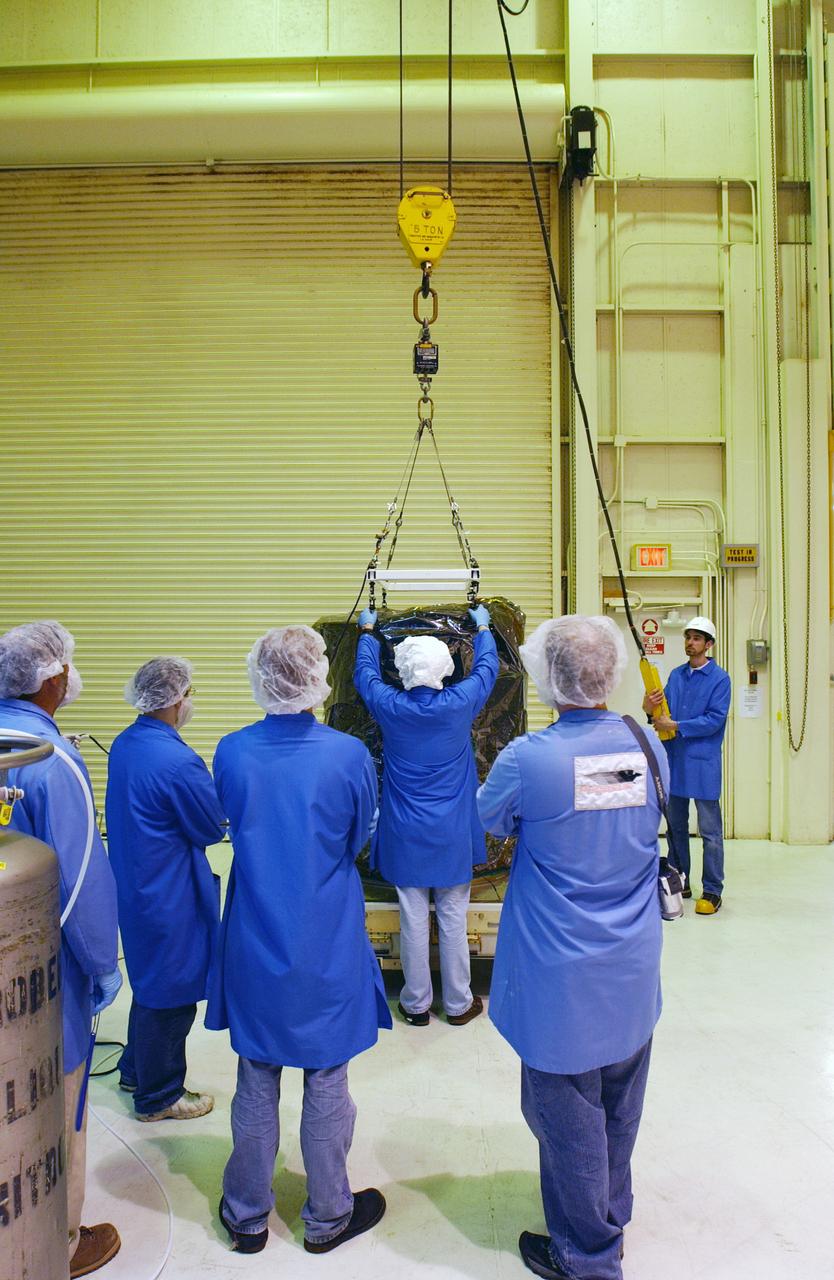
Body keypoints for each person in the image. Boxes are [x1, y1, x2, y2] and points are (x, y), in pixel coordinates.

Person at [477, 615, 666, 1280]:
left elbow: (489, 820)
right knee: (619, 1101)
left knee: (565, 1116)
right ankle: (608, 1211)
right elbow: (608, 800)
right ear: (607, 673)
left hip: (560, 978)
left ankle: (587, 1255)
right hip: (631, 969)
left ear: (547, 677)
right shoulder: (645, 748)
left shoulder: (530, 760)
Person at [207, 625, 391, 1255]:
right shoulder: (347, 756)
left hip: (255, 940)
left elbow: (228, 820)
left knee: (256, 1074)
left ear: (260, 676)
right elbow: (359, 837)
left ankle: (246, 1214)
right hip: (326, 940)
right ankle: (328, 1214)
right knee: (326, 1077)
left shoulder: (230, 752)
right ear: (318, 678)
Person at [0, 621, 122, 1278]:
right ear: (50, 677)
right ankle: (63, 1243)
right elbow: (78, 883)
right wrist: (102, 964)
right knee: (50, 1105)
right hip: (37, 975)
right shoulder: (48, 760)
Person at [353, 604, 498, 1027]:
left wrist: (367, 631)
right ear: (443, 668)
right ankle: (458, 1004)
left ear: (403, 669)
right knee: (453, 915)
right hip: (451, 832)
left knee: (412, 917)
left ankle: (415, 1006)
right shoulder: (460, 703)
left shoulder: (389, 706)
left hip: (404, 832)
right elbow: (487, 668)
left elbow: (365, 676)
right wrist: (484, 627)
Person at [105, 656, 225, 1122]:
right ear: (175, 698)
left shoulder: (128, 741)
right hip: (168, 892)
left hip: (138, 885)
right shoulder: (177, 760)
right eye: (188, 693)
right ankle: (159, 1097)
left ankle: (137, 1069)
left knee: (151, 982)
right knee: (172, 995)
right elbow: (211, 825)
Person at [642, 615, 731, 915]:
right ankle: (680, 881)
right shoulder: (676, 676)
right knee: (675, 828)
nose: (690, 642)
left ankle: (713, 890)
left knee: (710, 832)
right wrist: (649, 707)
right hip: (675, 763)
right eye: (688, 637)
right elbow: (661, 713)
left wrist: (676, 725)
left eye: (696, 638)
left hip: (703, 765)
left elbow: (714, 720)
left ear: (709, 644)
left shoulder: (720, 679)